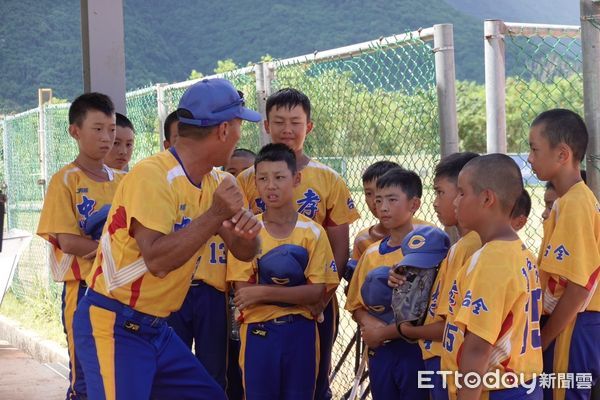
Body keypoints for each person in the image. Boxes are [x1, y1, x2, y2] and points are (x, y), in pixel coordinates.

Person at [72, 78, 263, 400]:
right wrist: (216, 215)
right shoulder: (152, 176)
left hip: (156, 328)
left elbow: (246, 252)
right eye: (239, 125)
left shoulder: (218, 181)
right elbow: (157, 260)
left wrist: (246, 232)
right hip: (115, 323)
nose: (240, 135)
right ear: (223, 131)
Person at [237, 88, 359, 399]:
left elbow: (338, 246)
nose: (287, 130)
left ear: (309, 127)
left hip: (314, 296)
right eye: (279, 121)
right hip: (259, 304)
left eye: (295, 122)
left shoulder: (328, 178)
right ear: (266, 125)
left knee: (311, 382)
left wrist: (320, 297)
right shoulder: (249, 179)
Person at [227, 143, 339, 400]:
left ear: (296, 179)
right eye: (263, 178)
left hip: (301, 333)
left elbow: (316, 292)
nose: (271, 185)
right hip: (258, 333)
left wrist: (263, 292)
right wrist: (294, 294)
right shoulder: (247, 230)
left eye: (279, 177)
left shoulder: (312, 232)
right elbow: (244, 293)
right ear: (255, 183)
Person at [37, 92, 125, 400]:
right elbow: (67, 240)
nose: (107, 138)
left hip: (121, 290)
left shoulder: (123, 181)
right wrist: (114, 249)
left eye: (111, 130)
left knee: (116, 373)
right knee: (84, 377)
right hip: (83, 290)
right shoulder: (64, 181)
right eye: (97, 129)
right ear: (75, 131)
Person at [441, 154, 543, 399]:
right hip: (522, 386)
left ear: (487, 198)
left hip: (496, 390)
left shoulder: (491, 261)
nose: (455, 201)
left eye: (462, 193)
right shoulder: (520, 252)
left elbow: (477, 350)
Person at [389, 152, 480, 400]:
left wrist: (408, 331)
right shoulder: (457, 246)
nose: (435, 202)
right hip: (439, 357)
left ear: (463, 193)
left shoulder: (471, 248)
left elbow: (456, 325)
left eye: (440, 192)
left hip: (453, 361)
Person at [528, 109, 600, 400]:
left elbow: (579, 287)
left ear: (562, 154)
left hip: (573, 325)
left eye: (534, 149)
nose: (530, 158)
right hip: (569, 323)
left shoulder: (575, 203)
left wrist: (543, 340)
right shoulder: (567, 202)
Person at [345, 168, 430, 399]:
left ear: (414, 204)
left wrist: (385, 332)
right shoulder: (371, 253)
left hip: (416, 348)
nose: (382, 207)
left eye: (392, 200)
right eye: (378, 199)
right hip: (381, 350)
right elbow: (355, 304)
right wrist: (369, 322)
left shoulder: (431, 249)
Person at [352, 160, 432, 261]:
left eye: (391, 198)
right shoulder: (362, 240)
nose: (374, 201)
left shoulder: (428, 234)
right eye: (369, 193)